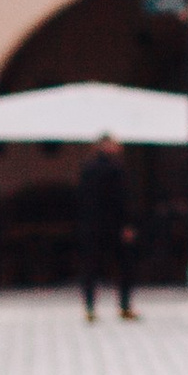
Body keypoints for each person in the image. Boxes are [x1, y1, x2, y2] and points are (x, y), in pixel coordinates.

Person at [75, 133, 137, 321]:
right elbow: (123, 200)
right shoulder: (117, 169)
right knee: (124, 266)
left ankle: (89, 308)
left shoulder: (87, 168)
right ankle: (124, 306)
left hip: (91, 225)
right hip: (115, 226)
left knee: (91, 267)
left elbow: (80, 198)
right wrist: (127, 224)